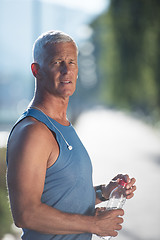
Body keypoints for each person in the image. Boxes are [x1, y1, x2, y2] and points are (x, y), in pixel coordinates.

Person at [6, 30, 136, 240]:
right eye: (57, 62)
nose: (66, 70)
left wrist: (104, 192)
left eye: (72, 62)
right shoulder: (33, 131)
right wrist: (93, 224)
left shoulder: (63, 125)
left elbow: (61, 197)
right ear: (36, 70)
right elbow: (25, 214)